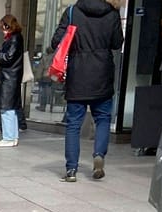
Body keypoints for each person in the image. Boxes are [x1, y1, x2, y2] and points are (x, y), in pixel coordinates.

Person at [50, 0, 123, 180]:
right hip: (102, 74)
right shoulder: (112, 13)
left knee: (74, 124)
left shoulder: (73, 11)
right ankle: (99, 155)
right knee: (103, 119)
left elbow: (56, 42)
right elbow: (117, 43)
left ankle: (71, 170)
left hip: (78, 74)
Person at [0, 14, 24, 147]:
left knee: (6, 108)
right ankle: (12, 137)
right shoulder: (16, 38)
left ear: (7, 25)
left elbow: (9, 57)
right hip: (12, 77)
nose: (2, 30)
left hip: (9, 78)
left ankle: (9, 137)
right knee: (11, 108)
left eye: (3, 27)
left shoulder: (14, 38)